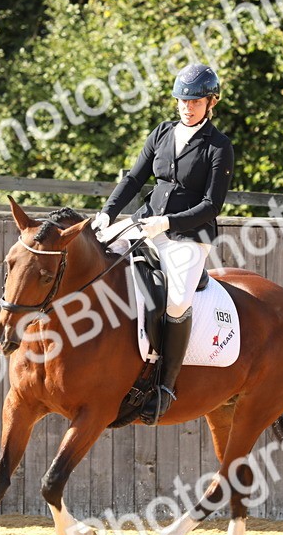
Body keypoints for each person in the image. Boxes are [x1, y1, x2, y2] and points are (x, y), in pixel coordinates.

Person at [92, 62, 235, 424]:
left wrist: (168, 222)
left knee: (178, 300)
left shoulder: (218, 146)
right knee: (96, 253)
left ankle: (166, 386)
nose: (188, 107)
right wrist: (107, 214)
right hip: (146, 222)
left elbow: (211, 205)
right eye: (183, 101)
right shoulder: (162, 133)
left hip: (188, 235)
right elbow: (134, 178)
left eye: (196, 102)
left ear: (211, 103)